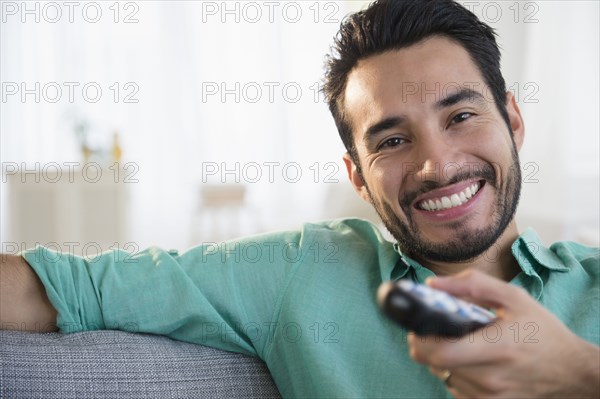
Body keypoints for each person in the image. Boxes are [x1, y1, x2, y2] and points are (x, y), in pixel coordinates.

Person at [1, 0, 598, 397]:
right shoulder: (300, 272)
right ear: (358, 176)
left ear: (513, 119)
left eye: (461, 115)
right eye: (392, 139)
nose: (436, 165)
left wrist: (578, 375)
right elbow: (63, 287)